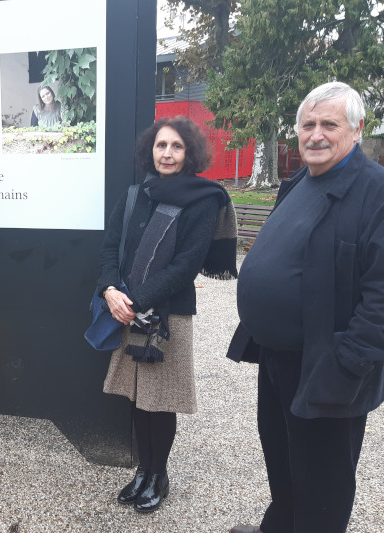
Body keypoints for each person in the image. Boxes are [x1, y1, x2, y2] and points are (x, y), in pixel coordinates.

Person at [227, 82, 384, 533]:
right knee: (284, 464)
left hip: (328, 366)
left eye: (329, 124)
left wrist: (346, 364)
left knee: (323, 487)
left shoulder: (382, 194)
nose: (316, 134)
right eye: (307, 125)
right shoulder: (299, 182)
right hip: (279, 360)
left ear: (356, 129)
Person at [97, 116, 238, 513]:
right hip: (127, 310)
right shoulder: (135, 195)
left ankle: (159, 474)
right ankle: (143, 471)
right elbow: (110, 249)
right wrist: (110, 291)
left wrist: (134, 300)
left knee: (161, 399)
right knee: (138, 396)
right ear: (151, 150)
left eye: (177, 147)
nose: (168, 154)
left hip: (168, 315)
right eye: (161, 146)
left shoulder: (203, 198)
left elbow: (186, 265)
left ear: (189, 153)